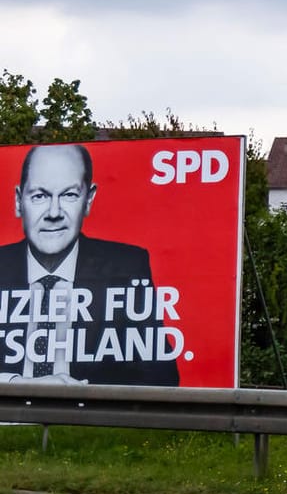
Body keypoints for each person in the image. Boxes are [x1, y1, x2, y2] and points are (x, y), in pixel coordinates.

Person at [0, 143, 179, 385]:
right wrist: (15, 384)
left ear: (88, 200)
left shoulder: (126, 267)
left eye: (69, 195)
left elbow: (161, 377)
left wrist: (85, 399)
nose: (54, 212)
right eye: (40, 196)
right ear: (19, 201)